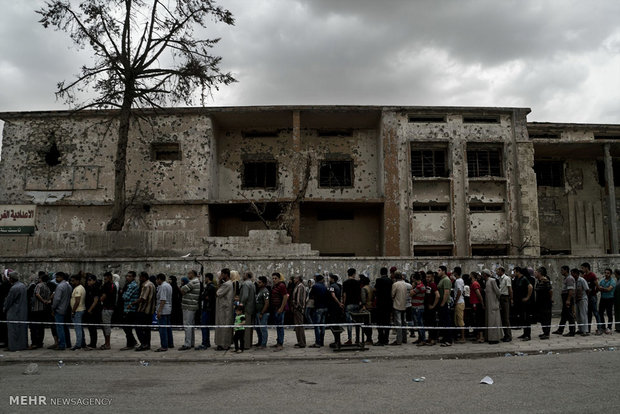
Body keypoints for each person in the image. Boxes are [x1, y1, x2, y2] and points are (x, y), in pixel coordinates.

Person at [3, 271, 28, 351]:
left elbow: (9, 301)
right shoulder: (23, 286)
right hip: (23, 311)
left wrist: (4, 308)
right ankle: (23, 345)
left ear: (11, 279)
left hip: (14, 312)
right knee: (22, 330)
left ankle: (13, 346)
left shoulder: (14, 288)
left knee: (13, 330)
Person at [179, 270, 200, 351]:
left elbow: (182, 290)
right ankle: (191, 342)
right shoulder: (196, 281)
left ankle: (187, 344)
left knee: (187, 325)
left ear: (192, 274)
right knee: (190, 325)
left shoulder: (193, 282)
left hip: (189, 306)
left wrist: (182, 286)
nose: (188, 275)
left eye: (189, 273)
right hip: (192, 306)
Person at [29, 272, 51, 350]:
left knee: (34, 327)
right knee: (41, 327)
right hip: (43, 310)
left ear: (41, 279)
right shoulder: (47, 287)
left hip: (36, 309)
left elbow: (37, 294)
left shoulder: (39, 285)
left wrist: (42, 300)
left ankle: (34, 343)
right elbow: (49, 298)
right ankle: (40, 342)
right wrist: (45, 301)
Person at [135, 271, 156, 351]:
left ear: (143, 277)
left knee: (139, 327)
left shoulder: (146, 285)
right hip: (150, 310)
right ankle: (147, 344)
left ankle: (143, 344)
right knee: (147, 329)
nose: (139, 279)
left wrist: (133, 303)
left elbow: (143, 298)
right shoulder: (152, 284)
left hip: (144, 310)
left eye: (140, 277)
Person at [51, 272, 72, 350]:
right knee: (65, 327)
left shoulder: (60, 287)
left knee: (60, 328)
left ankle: (62, 345)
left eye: (58, 277)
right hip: (66, 309)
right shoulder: (69, 286)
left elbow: (57, 299)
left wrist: (53, 308)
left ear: (62, 277)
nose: (56, 279)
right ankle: (68, 343)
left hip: (59, 309)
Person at [553, 265, 576, 337]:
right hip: (565, 297)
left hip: (567, 297)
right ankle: (560, 329)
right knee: (564, 315)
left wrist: (568, 300)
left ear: (566, 270)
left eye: (562, 270)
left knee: (569, 315)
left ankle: (572, 331)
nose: (561, 272)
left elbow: (570, 290)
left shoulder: (569, 279)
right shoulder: (566, 278)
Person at [120, 271, 140, 351]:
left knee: (127, 327)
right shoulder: (128, 285)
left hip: (130, 309)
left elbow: (126, 297)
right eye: (127, 276)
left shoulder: (132, 285)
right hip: (127, 308)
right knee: (126, 327)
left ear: (133, 277)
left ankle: (130, 344)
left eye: (129, 276)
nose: (127, 277)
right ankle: (133, 342)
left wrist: (123, 293)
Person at [215, 268, 234, 351]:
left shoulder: (227, 284)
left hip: (224, 308)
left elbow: (218, 293)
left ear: (226, 274)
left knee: (223, 326)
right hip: (225, 308)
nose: (221, 276)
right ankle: (225, 343)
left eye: (222, 274)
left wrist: (219, 281)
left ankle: (223, 344)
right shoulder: (229, 283)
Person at [341, 268, 361, 345]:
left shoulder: (345, 283)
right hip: (356, 304)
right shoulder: (357, 283)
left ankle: (349, 339)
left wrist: (343, 304)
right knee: (357, 322)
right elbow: (359, 294)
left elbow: (344, 295)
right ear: (354, 274)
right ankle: (357, 339)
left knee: (349, 322)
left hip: (348, 304)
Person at [581, 262, 602, 335]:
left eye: (583, 268)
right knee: (588, 313)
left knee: (595, 313)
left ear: (587, 267)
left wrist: (594, 293)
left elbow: (597, 286)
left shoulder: (592, 275)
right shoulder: (584, 276)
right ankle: (588, 329)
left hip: (592, 296)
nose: (582, 269)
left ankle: (599, 328)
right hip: (587, 297)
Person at [270, 272, 289, 350]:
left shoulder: (281, 286)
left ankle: (280, 343)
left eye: (275, 278)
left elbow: (285, 297)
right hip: (275, 308)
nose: (274, 280)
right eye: (273, 278)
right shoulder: (275, 286)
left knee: (280, 326)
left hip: (280, 308)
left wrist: (281, 308)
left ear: (279, 278)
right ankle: (278, 342)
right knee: (278, 325)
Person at [514, 267, 533, 341]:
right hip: (520, 302)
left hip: (526, 302)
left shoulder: (524, 278)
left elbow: (530, 287)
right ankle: (525, 333)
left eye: (515, 272)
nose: (514, 273)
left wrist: (527, 297)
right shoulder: (518, 279)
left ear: (518, 272)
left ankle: (528, 335)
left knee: (527, 318)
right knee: (523, 318)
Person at [374, 267, 392, 346]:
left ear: (381, 273)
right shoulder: (390, 281)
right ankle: (386, 339)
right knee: (387, 322)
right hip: (388, 304)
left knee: (380, 322)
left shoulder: (379, 280)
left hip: (380, 304)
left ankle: (380, 339)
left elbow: (375, 290)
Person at [482, 269, 501, 344]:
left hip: (493, 304)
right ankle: (489, 337)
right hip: (488, 304)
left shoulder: (492, 280)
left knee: (494, 322)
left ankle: (495, 338)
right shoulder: (486, 282)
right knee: (489, 321)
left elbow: (498, 292)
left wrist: (496, 301)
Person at [98, 272, 117, 350]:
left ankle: (107, 343)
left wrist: (99, 300)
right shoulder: (114, 285)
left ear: (109, 277)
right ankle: (106, 342)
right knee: (106, 326)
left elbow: (103, 297)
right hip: (111, 307)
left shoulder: (107, 286)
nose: (104, 280)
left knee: (106, 326)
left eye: (105, 278)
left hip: (107, 308)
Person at [155, 273, 173, 352]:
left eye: (157, 279)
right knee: (168, 328)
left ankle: (164, 346)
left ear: (159, 279)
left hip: (163, 309)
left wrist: (159, 311)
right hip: (168, 309)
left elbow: (163, 299)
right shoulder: (168, 285)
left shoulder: (163, 286)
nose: (156, 281)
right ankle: (170, 343)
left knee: (162, 329)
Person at [198, 273, 216, 350]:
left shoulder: (210, 287)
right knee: (204, 326)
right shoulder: (208, 287)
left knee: (204, 326)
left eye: (205, 278)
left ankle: (205, 342)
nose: (204, 279)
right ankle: (206, 342)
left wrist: (204, 296)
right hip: (206, 308)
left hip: (207, 309)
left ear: (208, 278)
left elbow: (206, 297)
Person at [309, 274, 328, 348]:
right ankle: (322, 341)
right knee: (322, 325)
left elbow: (311, 296)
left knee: (317, 326)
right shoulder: (325, 286)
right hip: (325, 307)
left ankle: (317, 342)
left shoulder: (315, 286)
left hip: (318, 307)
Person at [534, 267, 553, 340]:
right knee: (542, 318)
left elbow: (550, 290)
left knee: (546, 318)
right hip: (540, 303)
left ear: (539, 273)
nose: (535, 273)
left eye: (536, 272)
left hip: (546, 303)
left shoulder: (545, 280)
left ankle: (547, 333)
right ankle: (544, 332)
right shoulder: (539, 281)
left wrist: (550, 299)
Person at [84, 274, 102, 349]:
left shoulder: (96, 288)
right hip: (89, 310)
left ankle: (93, 344)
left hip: (93, 311)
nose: (88, 281)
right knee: (90, 328)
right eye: (88, 280)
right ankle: (92, 343)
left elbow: (96, 300)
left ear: (94, 281)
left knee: (92, 328)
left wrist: (90, 309)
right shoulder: (89, 288)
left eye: (90, 280)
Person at [239, 271, 256, 350]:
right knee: (249, 327)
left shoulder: (245, 284)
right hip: (252, 307)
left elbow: (245, 296)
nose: (242, 275)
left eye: (243, 274)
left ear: (246, 275)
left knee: (245, 327)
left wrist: (241, 303)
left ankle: (245, 344)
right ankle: (249, 343)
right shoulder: (252, 284)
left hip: (246, 308)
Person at [327, 274, 345, 347]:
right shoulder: (338, 286)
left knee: (333, 325)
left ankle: (337, 341)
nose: (329, 279)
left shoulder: (332, 286)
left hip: (333, 308)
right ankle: (338, 340)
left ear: (333, 279)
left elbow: (333, 295)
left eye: (330, 278)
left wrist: (339, 303)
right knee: (336, 325)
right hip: (337, 308)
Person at [69, 274, 86, 351]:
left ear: (78, 280)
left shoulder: (78, 289)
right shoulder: (80, 287)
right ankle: (82, 343)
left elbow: (77, 301)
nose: (72, 282)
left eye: (73, 281)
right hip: (80, 310)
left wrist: (73, 311)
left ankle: (78, 344)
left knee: (78, 328)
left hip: (78, 310)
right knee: (80, 328)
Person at [390, 271, 407, 345]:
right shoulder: (405, 284)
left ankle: (399, 340)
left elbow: (392, 295)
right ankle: (404, 338)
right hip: (404, 305)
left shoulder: (395, 284)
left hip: (397, 305)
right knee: (404, 323)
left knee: (398, 323)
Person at [422, 271, 439, 346]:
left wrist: (433, 305)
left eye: (429, 277)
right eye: (426, 277)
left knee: (432, 323)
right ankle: (430, 337)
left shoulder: (433, 285)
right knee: (429, 323)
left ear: (432, 277)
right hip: (427, 307)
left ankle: (433, 339)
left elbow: (437, 296)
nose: (427, 278)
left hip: (431, 308)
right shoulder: (428, 285)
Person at [496, 266, 512, 342]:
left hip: (505, 297)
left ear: (501, 271)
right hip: (501, 297)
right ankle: (505, 334)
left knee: (506, 318)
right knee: (503, 318)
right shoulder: (500, 279)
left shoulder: (506, 278)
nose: (497, 272)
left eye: (498, 271)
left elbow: (510, 289)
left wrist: (511, 299)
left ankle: (508, 335)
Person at [254, 276, 270, 348]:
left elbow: (266, 303)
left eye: (260, 282)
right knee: (258, 328)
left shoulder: (265, 291)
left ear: (264, 283)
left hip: (262, 313)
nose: (258, 284)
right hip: (258, 312)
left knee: (263, 329)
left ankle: (263, 343)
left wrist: (262, 313)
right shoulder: (260, 290)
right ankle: (259, 341)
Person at [598, 268, 616, 334]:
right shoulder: (602, 281)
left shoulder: (612, 281)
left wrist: (602, 289)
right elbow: (598, 287)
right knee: (600, 313)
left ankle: (609, 327)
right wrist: (601, 289)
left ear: (610, 274)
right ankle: (603, 327)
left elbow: (609, 289)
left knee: (609, 313)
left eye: (608, 273)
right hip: (603, 298)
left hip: (610, 299)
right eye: (605, 273)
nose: (606, 274)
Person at [410, 272, 426, 345]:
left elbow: (411, 293)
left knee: (420, 323)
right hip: (418, 306)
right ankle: (420, 338)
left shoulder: (419, 286)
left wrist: (412, 287)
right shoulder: (421, 285)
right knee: (418, 323)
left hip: (418, 307)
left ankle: (422, 339)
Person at [292, 275, 307, 348]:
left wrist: (297, 307)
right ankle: (300, 341)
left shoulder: (300, 286)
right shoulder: (297, 286)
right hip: (296, 309)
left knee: (300, 326)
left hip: (299, 309)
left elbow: (300, 299)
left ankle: (302, 342)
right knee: (297, 326)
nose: (294, 279)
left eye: (295, 278)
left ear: (298, 279)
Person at [469, 272, 485, 343]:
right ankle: (478, 336)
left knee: (478, 320)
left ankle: (481, 337)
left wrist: (482, 303)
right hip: (474, 303)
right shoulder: (474, 283)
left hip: (477, 304)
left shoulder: (475, 284)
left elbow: (478, 294)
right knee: (476, 320)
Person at [360, 274, 374, 345]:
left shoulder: (364, 288)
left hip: (366, 307)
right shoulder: (371, 287)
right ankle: (369, 338)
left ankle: (368, 339)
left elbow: (363, 299)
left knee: (366, 324)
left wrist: (363, 305)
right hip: (372, 306)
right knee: (369, 324)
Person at [574, 269, 589, 336]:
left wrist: (584, 297)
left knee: (583, 315)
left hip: (583, 299)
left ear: (576, 274)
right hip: (577, 300)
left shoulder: (582, 280)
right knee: (578, 315)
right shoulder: (574, 281)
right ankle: (580, 329)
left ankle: (585, 331)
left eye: (573, 273)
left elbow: (587, 289)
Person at [453, 267, 466, 344]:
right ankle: (459, 336)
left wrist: (456, 301)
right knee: (457, 320)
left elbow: (459, 291)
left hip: (459, 302)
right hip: (461, 301)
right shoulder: (461, 280)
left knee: (460, 320)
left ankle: (462, 337)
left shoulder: (458, 281)